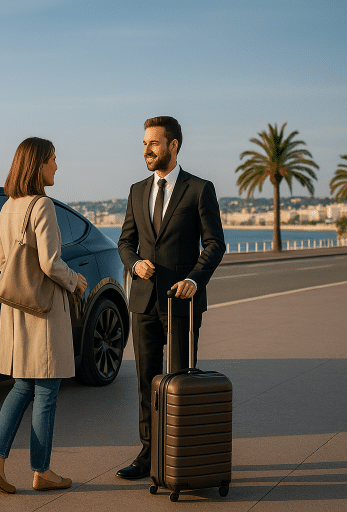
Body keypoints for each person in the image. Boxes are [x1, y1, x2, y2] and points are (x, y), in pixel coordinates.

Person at [116, 117, 226, 480]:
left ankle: (179, 459)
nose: (146, 150)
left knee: (179, 381)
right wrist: (135, 265)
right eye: (144, 143)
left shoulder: (198, 189)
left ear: (174, 145)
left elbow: (215, 243)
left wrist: (195, 278)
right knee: (147, 381)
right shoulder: (136, 191)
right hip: (143, 302)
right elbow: (125, 242)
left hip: (182, 300)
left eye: (154, 143)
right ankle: (148, 456)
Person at [0, 137, 88, 494]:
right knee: (47, 389)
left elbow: (1, 263)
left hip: (16, 311)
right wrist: (75, 281)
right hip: (44, 313)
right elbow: (49, 263)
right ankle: (41, 471)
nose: (57, 166)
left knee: (22, 385)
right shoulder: (42, 205)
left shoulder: (8, 206)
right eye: (53, 160)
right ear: (38, 164)